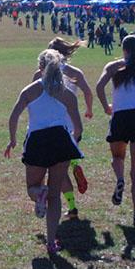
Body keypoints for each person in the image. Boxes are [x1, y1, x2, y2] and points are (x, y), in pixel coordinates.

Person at [5, 49, 83, 253]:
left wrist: (12, 140)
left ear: (40, 68)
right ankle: (51, 242)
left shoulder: (30, 90)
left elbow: (14, 117)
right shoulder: (66, 93)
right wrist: (72, 141)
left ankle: (39, 194)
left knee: (33, 187)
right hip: (61, 140)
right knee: (55, 196)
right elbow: (78, 127)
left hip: (37, 142)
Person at [94, 36, 135, 227]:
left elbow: (99, 87)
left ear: (123, 49)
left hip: (119, 119)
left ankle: (120, 179)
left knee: (118, 157)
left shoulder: (113, 67)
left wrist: (107, 106)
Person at [32, 37, 94, 218]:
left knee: (56, 170)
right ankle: (74, 163)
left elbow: (31, 98)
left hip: (49, 128)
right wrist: (89, 109)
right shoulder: (75, 72)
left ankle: (72, 206)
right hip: (72, 127)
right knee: (62, 166)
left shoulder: (40, 74)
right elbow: (88, 92)